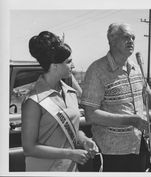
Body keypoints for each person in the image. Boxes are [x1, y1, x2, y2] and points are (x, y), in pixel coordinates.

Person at [81, 23, 151, 172]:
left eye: (133, 37)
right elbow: (91, 115)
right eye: (126, 37)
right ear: (111, 40)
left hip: (138, 147)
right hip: (111, 152)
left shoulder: (135, 69)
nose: (131, 41)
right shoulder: (96, 71)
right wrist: (131, 120)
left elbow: (150, 100)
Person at [21, 31, 98, 171]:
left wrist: (84, 140)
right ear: (54, 65)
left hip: (70, 169)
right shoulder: (33, 101)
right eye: (68, 62)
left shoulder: (71, 93)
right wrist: (70, 154)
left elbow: (71, 130)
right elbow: (29, 148)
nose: (73, 65)